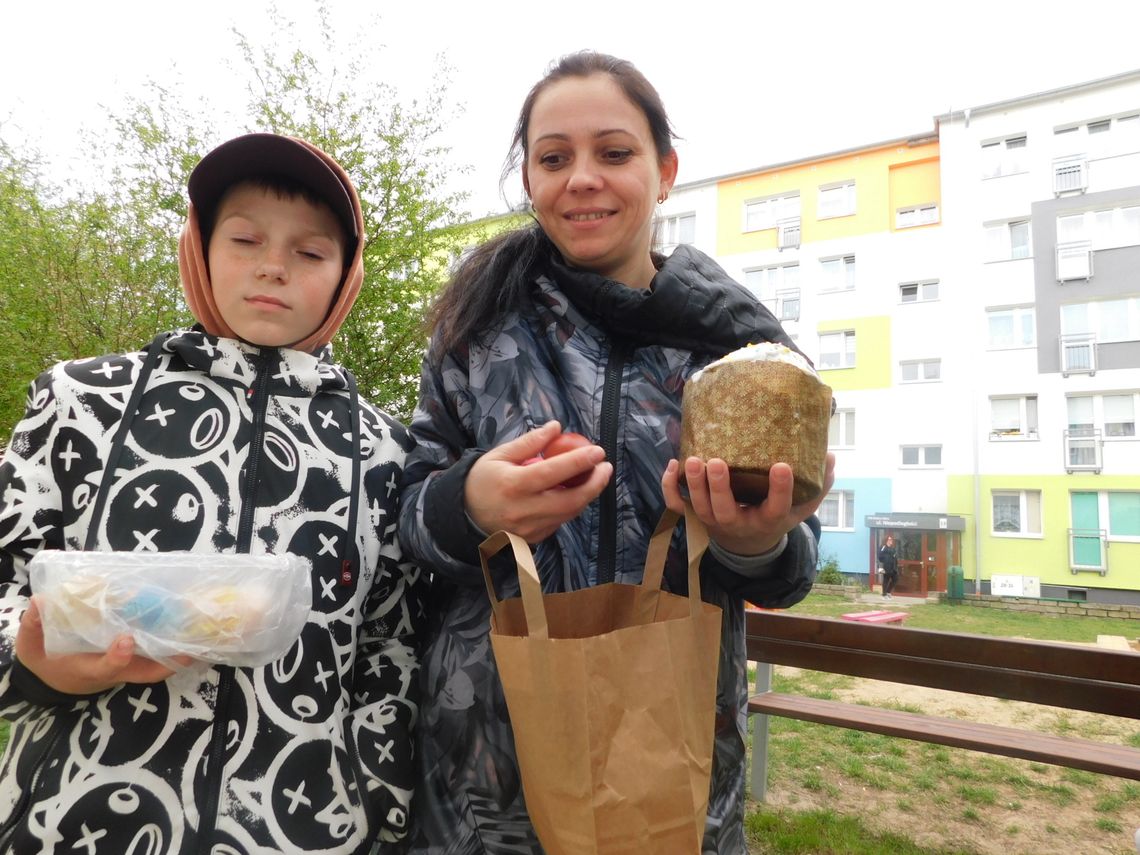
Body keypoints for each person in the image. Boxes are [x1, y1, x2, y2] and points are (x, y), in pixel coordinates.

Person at [397, 52, 835, 854]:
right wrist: (469, 506)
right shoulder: (477, 329)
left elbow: (794, 567)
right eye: (554, 158)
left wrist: (755, 540)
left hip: (667, 756)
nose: (583, 178)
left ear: (666, 172)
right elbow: (409, 517)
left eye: (615, 152)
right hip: (487, 766)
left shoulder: (746, 356)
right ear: (528, 180)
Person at [0, 133, 423, 853]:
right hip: (74, 824)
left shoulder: (384, 449)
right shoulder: (80, 400)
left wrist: (378, 814)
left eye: (310, 252)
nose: (272, 267)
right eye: (245, 238)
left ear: (347, 274)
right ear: (199, 247)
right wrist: (32, 663)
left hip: (300, 835)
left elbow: (392, 647)